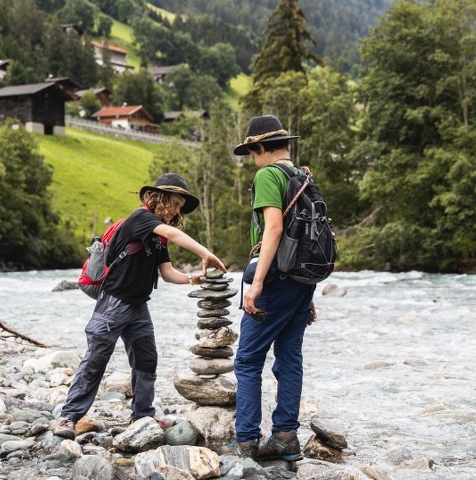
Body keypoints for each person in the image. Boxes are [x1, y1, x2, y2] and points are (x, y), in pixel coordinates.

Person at [52, 173, 227, 438]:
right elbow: (171, 231)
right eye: (176, 203)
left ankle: (143, 417)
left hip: (138, 307)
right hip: (113, 302)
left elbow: (167, 273)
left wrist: (193, 279)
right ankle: (69, 417)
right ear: (160, 197)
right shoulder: (140, 218)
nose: (177, 210)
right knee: (96, 360)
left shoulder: (159, 237)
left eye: (181, 206)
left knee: (147, 360)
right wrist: (205, 253)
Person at [223, 115, 317, 461]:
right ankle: (285, 437)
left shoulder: (268, 174)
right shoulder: (303, 176)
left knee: (248, 360)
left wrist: (257, 282)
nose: (252, 158)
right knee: (289, 358)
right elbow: (310, 237)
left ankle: (246, 441)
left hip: (275, 280)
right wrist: (308, 294)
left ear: (260, 146)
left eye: (251, 151)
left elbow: (274, 230)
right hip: (301, 281)